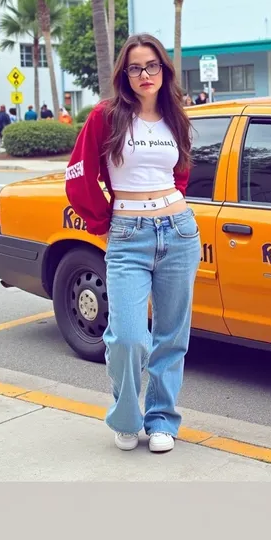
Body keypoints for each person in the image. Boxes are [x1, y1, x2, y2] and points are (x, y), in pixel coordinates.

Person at [65, 33, 200, 454]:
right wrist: (103, 222)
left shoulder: (175, 115)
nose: (145, 75)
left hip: (178, 230)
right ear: (125, 74)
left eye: (153, 66)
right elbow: (79, 174)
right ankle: (126, 416)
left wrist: (172, 204)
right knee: (127, 337)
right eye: (136, 67)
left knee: (171, 335)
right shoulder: (106, 117)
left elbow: (180, 171)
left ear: (165, 70)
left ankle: (162, 418)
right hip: (127, 234)